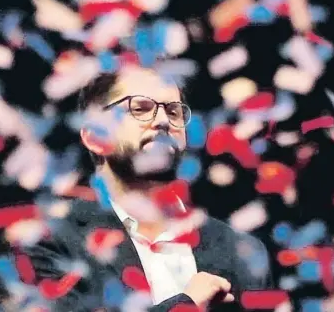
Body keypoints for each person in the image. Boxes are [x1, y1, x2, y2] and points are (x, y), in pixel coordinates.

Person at [21, 66, 274, 312]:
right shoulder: (51, 243)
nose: (163, 121)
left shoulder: (239, 251)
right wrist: (186, 303)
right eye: (140, 108)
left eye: (174, 112)